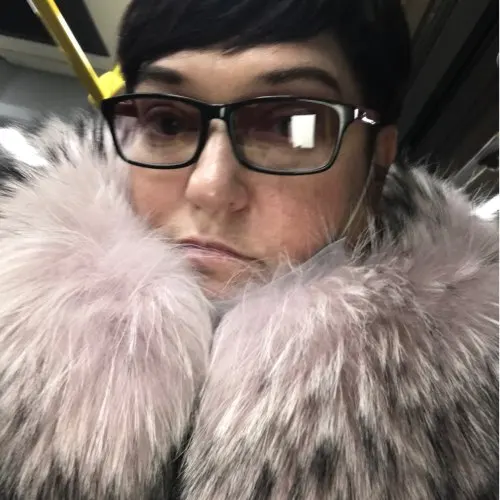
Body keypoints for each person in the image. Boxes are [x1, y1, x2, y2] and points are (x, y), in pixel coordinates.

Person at [0, 0, 497, 498]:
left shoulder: (472, 438)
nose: (210, 188)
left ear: (375, 165)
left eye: (288, 127)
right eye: (168, 123)